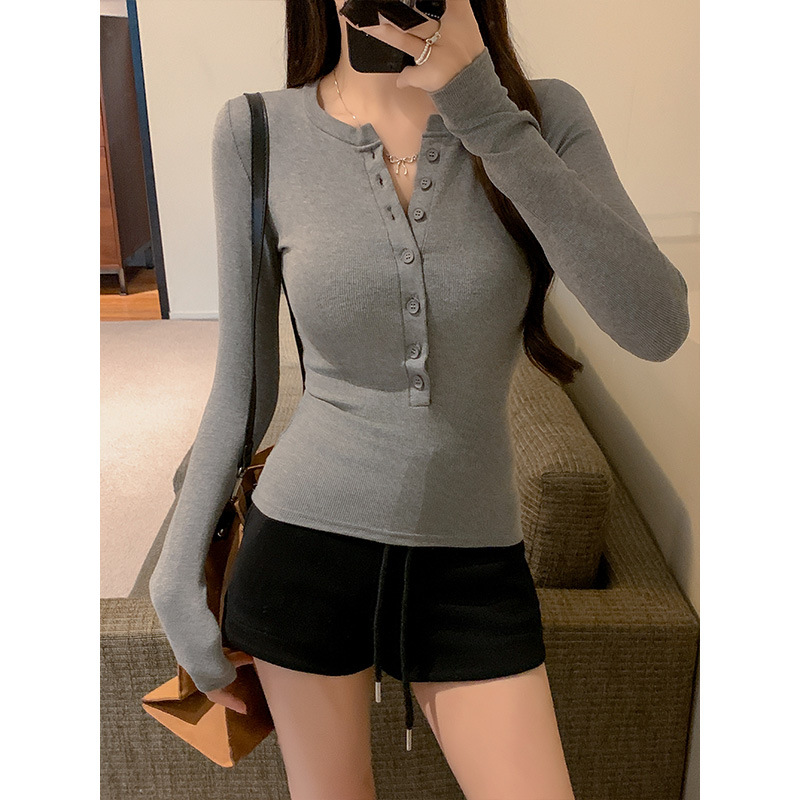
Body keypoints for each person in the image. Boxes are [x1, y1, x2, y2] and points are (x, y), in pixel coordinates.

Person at [148, 2, 690, 798]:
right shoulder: (256, 131)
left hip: (473, 562)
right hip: (301, 550)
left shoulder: (543, 116)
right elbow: (245, 386)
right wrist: (175, 570)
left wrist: (482, 108)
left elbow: (656, 325)